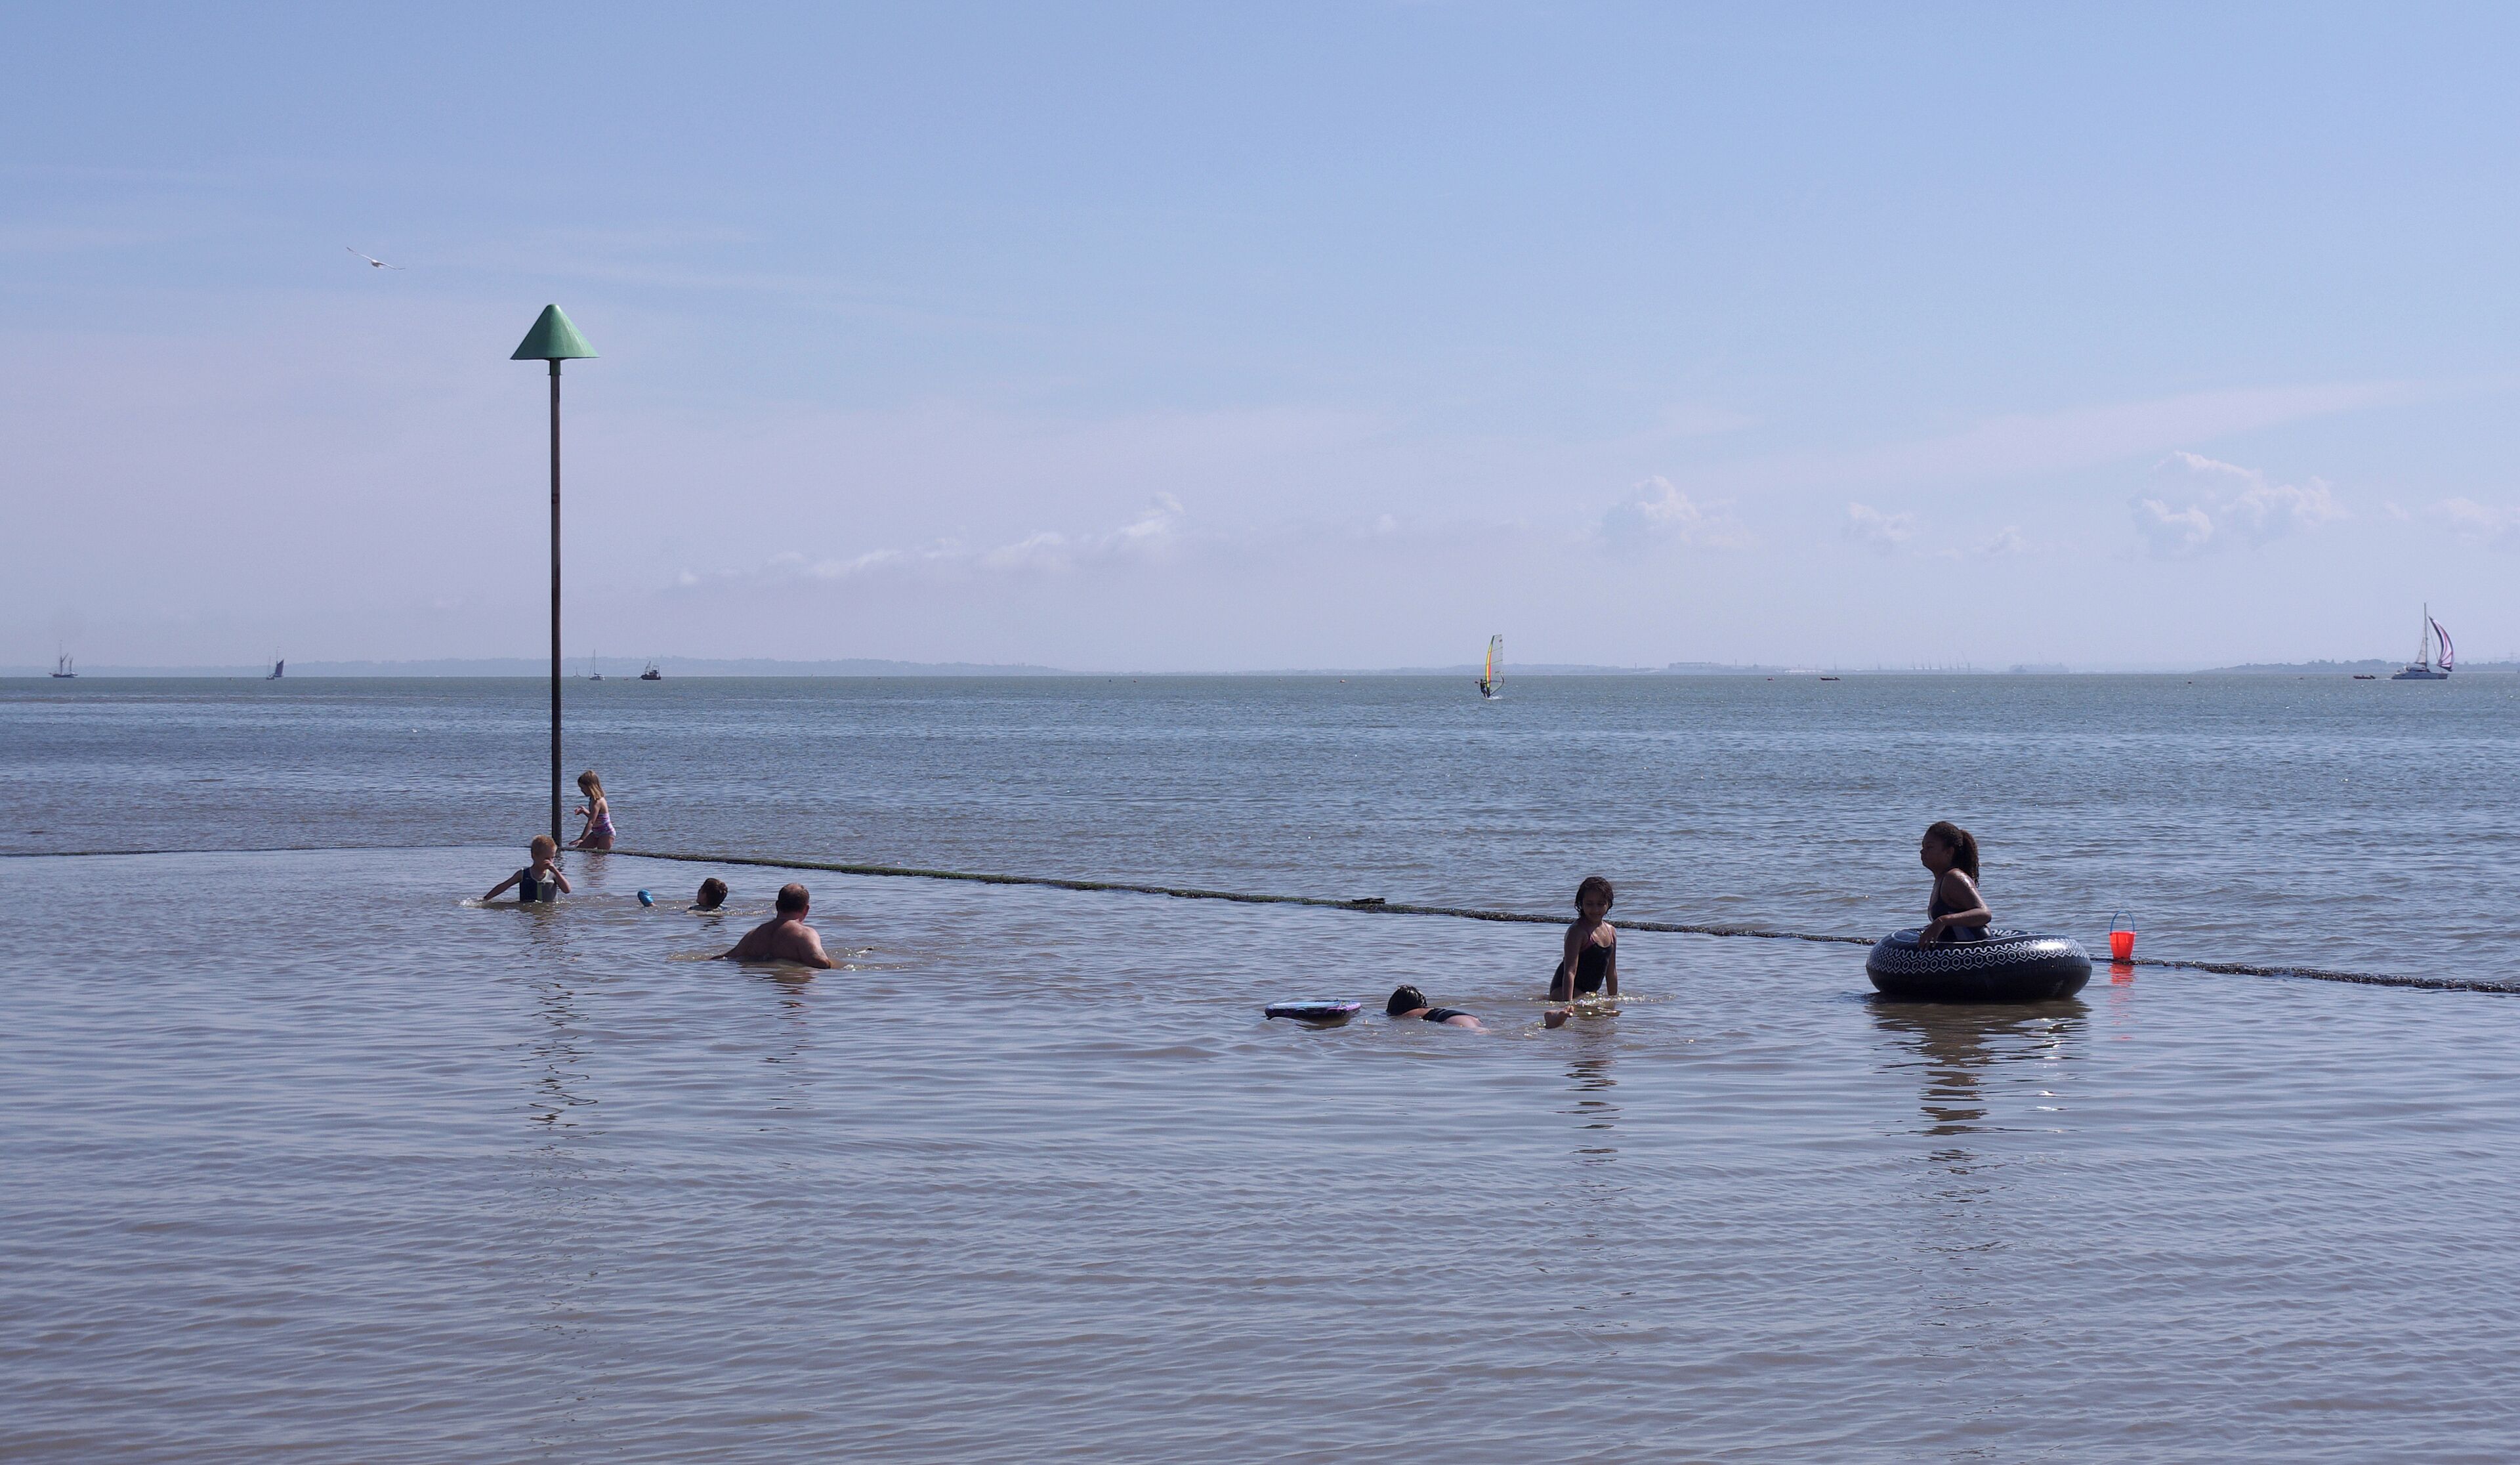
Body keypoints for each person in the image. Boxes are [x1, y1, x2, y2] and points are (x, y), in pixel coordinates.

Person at [718, 882, 834, 968]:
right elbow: (821, 963)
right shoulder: (805, 934)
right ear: (806, 909)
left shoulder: (754, 934)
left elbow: (728, 957)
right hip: (789, 985)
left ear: (777, 906)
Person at [1549, 875, 1619, 1006]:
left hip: (1587, 993)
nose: (1595, 910)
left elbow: (1612, 972)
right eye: (1589, 904)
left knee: (1599, 1016)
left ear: (1609, 904)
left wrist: (1613, 1003)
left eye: (1600, 904)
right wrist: (1567, 1004)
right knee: (1593, 1008)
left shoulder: (1611, 931)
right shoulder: (1578, 932)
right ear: (1581, 904)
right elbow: (1570, 971)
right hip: (1564, 990)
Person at [1918, 820, 1992, 943]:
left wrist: (1943, 920)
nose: (1922, 851)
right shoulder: (1941, 880)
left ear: (1949, 852)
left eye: (1929, 847)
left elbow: (1984, 914)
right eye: (1923, 847)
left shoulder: (1954, 878)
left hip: (1978, 952)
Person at [482, 835, 571, 903]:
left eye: (553, 858)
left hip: (549, 910)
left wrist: (555, 871)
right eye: (546, 858)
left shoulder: (553, 875)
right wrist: (486, 898)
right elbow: (504, 886)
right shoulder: (523, 874)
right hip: (528, 912)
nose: (550, 861)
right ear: (534, 856)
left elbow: (567, 890)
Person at [1387, 985, 1481, 1029]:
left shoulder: (1411, 1012)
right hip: (1468, 1017)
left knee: (1475, 1030)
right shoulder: (1427, 1010)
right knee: (1477, 1029)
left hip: (1455, 1019)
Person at [570, 771, 614, 851]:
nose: (581, 791)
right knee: (580, 850)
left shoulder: (598, 801)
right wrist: (585, 811)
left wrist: (582, 838)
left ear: (591, 787)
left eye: (583, 788)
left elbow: (591, 822)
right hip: (596, 832)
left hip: (606, 833)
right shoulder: (592, 799)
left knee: (601, 856)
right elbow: (596, 817)